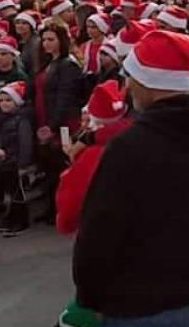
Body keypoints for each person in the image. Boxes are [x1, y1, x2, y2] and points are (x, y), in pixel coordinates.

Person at [74, 30, 189, 323]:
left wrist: (89, 295)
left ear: (150, 82)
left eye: (131, 76)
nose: (126, 85)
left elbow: (101, 230)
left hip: (147, 302)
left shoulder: (132, 146)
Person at [55, 80, 132, 235]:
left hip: (103, 230)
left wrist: (64, 222)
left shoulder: (91, 155)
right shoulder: (138, 137)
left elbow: (72, 202)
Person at [32, 18, 84, 221]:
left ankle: (63, 210)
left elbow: (65, 98)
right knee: (49, 168)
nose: (46, 43)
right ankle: (51, 207)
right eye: (44, 39)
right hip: (45, 118)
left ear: (62, 40)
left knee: (61, 168)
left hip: (62, 124)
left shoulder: (68, 65)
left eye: (51, 39)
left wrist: (52, 126)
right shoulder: (48, 63)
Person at [0, 81, 34, 235]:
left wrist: (23, 163)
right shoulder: (2, 118)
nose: (3, 104)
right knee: (11, 191)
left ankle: (20, 220)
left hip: (16, 162)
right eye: (1, 100)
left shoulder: (21, 120)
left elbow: (25, 143)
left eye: (8, 100)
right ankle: (12, 217)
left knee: (19, 192)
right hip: (5, 160)